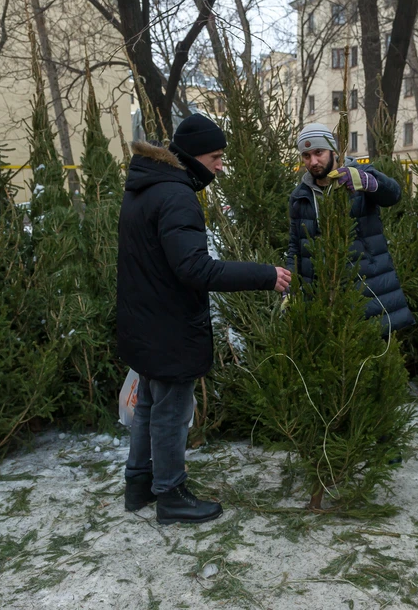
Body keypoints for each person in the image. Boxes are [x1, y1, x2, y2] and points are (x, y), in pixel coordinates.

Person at [117, 113, 292, 525]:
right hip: (169, 324)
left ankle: (139, 483)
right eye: (215, 157)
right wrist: (266, 274)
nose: (220, 165)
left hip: (144, 319)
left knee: (147, 404)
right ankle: (171, 494)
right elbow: (196, 269)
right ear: (194, 156)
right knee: (171, 412)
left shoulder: (145, 187)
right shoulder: (176, 196)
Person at [287, 123, 414, 335]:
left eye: (319, 152)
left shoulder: (360, 176)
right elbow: (295, 247)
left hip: (369, 291)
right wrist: (290, 286)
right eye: (306, 156)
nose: (313, 162)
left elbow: (393, 195)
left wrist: (369, 183)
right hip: (324, 300)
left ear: (334, 151)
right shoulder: (300, 196)